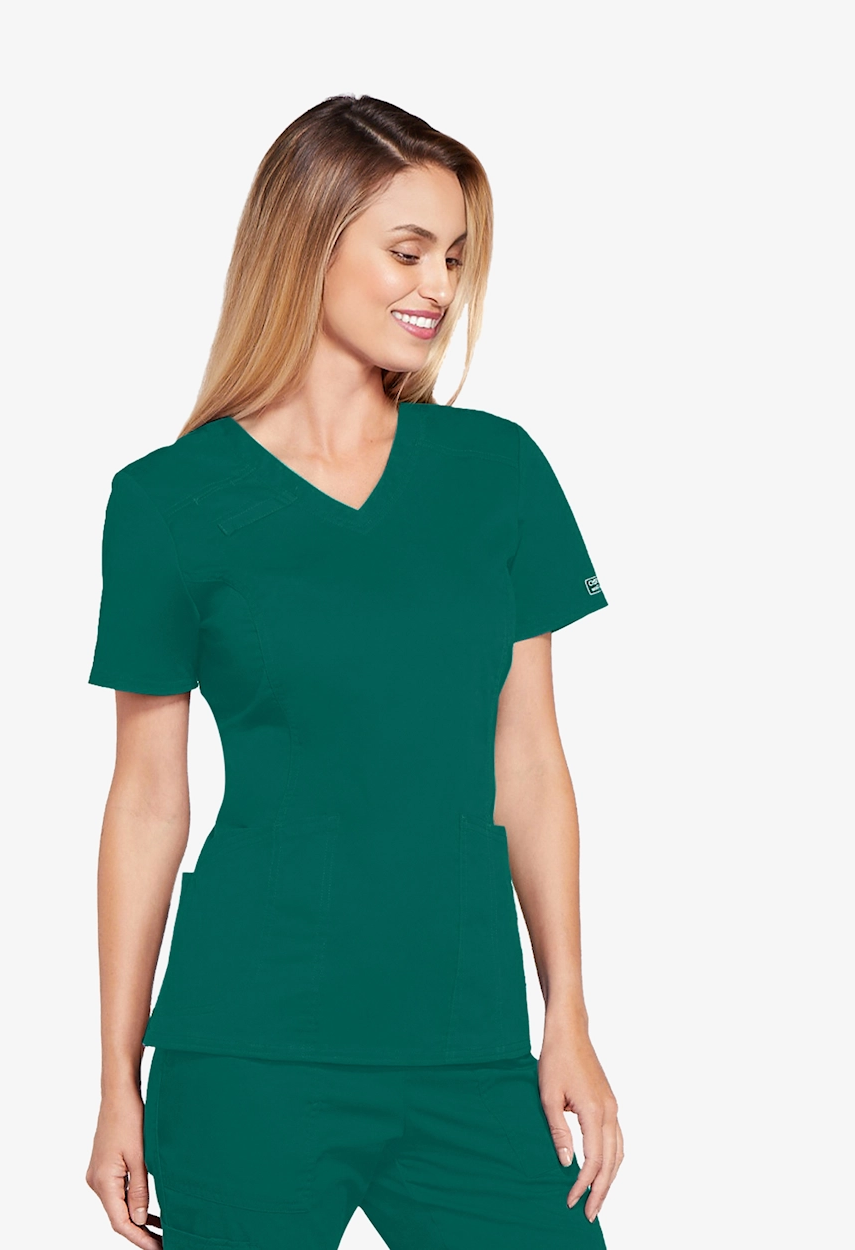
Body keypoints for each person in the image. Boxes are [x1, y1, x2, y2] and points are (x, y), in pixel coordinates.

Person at [85, 94, 622, 1250]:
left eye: (454, 256)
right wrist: (116, 1076)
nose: (438, 284)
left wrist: (567, 1014)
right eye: (406, 249)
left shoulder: (495, 469)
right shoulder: (168, 501)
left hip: (470, 1041)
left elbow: (529, 760)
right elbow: (147, 798)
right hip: (245, 1048)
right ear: (307, 245)